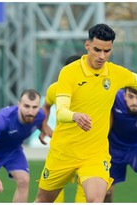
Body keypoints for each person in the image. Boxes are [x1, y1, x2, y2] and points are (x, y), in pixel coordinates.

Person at [34, 23, 137, 203]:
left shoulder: (115, 73)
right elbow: (61, 111)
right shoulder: (69, 73)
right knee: (43, 200)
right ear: (87, 46)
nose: (102, 56)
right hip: (63, 152)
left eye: (107, 51)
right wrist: (75, 116)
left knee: (96, 199)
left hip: (94, 155)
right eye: (97, 50)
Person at [39, 55, 86, 203]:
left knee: (86, 188)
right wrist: (44, 125)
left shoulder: (92, 88)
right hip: (62, 147)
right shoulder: (55, 89)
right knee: (52, 191)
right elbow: (46, 106)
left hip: (86, 145)